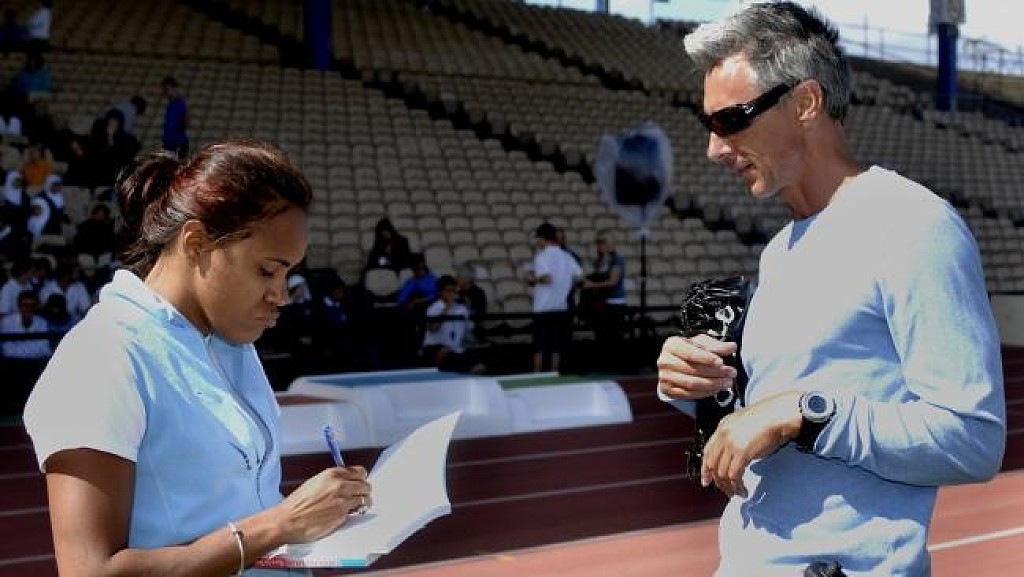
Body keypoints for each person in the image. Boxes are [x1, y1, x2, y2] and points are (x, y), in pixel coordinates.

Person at [655, 4, 1005, 576]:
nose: (714, 149)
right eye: (709, 125)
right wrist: (698, 385)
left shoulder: (914, 226)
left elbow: (973, 440)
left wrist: (805, 413)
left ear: (805, 103)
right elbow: (775, 418)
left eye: (731, 120)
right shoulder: (779, 250)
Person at [22, 139, 373, 576]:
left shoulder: (231, 342)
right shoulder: (102, 356)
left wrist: (318, 513)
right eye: (267, 270)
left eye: (288, 273)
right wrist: (280, 523)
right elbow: (89, 571)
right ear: (196, 243)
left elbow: (231, 507)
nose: (281, 295)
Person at [527, 222, 581, 373]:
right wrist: (565, 285)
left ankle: (537, 374)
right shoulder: (567, 256)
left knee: (540, 346)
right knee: (556, 346)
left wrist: (532, 278)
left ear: (542, 238)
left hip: (543, 307)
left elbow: (546, 278)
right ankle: (554, 372)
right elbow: (579, 277)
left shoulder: (542, 257)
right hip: (561, 306)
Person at [580, 230, 626, 370]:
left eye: (603, 242)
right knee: (601, 335)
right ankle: (604, 364)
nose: (600, 245)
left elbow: (613, 281)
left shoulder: (617, 260)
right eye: (598, 242)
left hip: (615, 303)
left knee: (614, 336)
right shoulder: (599, 261)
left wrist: (592, 285)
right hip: (601, 303)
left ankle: (616, 365)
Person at [421, 274, 485, 374]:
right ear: (441, 292)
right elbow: (433, 328)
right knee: (444, 352)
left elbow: (469, 330)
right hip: (435, 348)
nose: (452, 294)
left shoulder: (462, 309)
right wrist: (447, 308)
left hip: (456, 350)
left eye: (454, 291)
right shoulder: (434, 308)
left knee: (480, 366)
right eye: (449, 291)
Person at [160, 76, 189, 157]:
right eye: (164, 90)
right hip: (168, 143)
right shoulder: (170, 105)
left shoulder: (181, 103)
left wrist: (177, 136)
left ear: (174, 88)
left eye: (167, 89)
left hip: (178, 142)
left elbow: (186, 122)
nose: (165, 92)